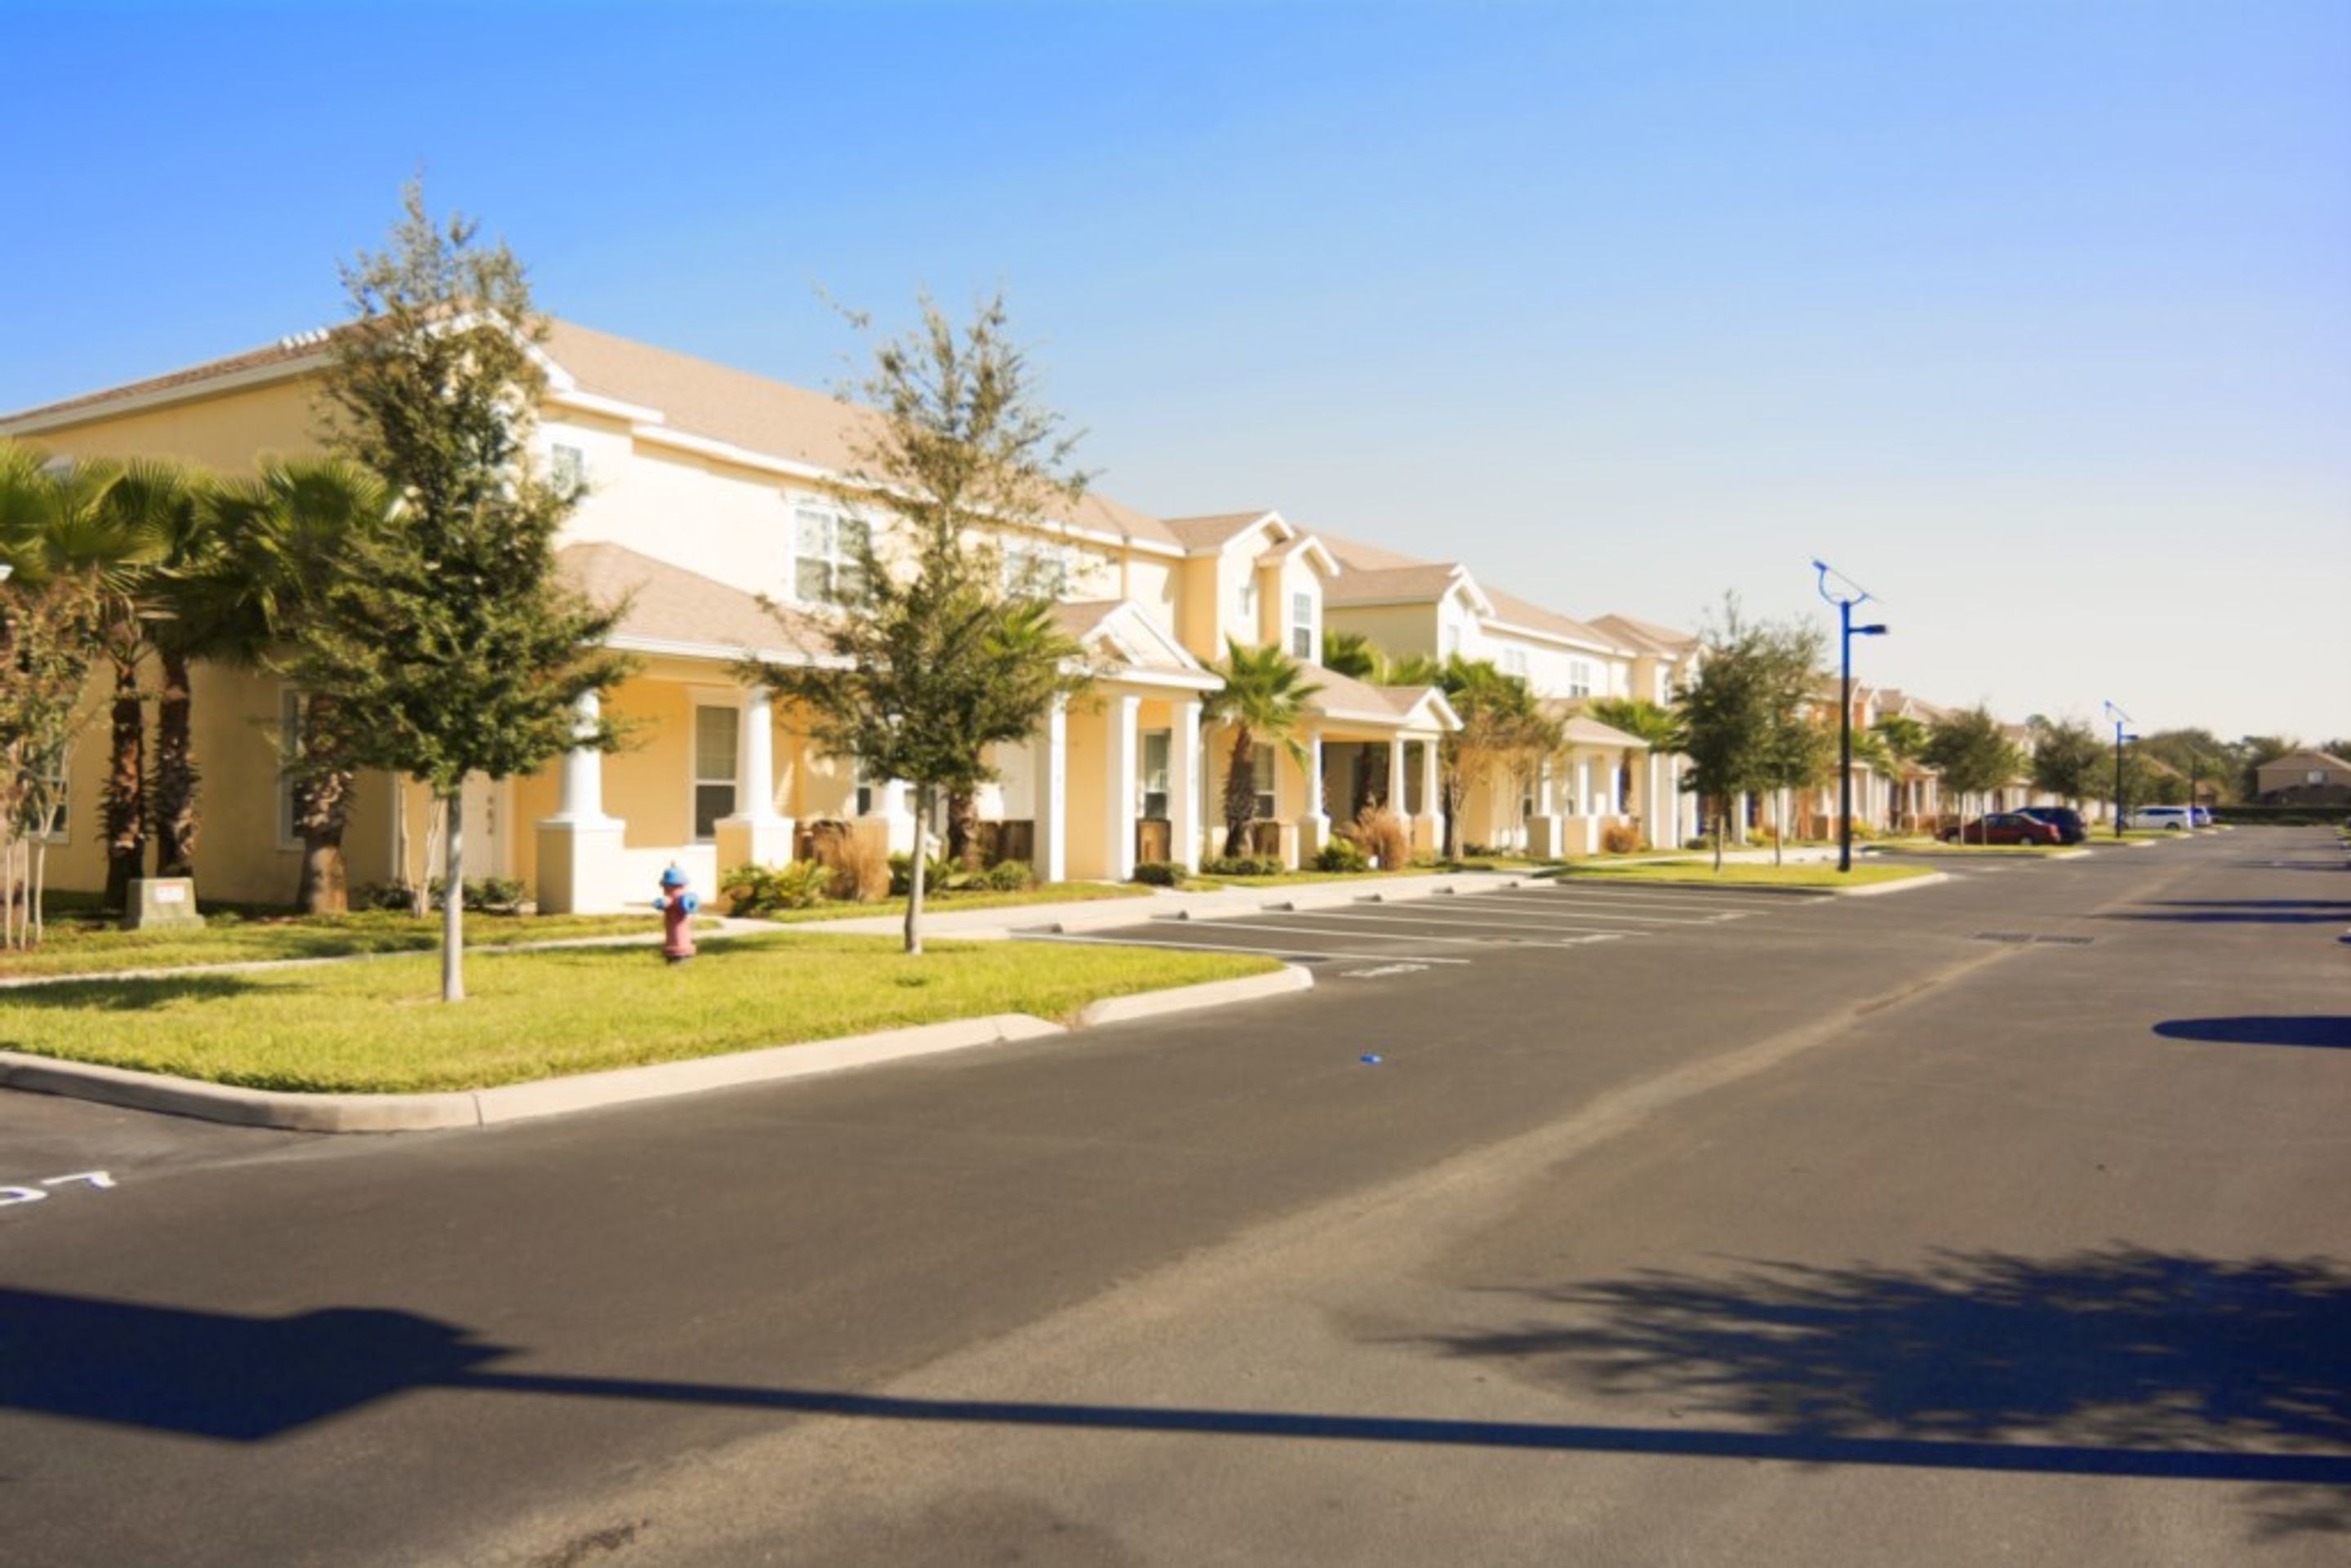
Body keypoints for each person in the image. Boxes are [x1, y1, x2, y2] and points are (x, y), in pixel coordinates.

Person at [654, 865, 700, 963]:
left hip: (678, 942)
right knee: (679, 937)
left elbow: (665, 902)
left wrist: (663, 902)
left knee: (678, 937)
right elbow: (664, 902)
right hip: (679, 941)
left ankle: (678, 955)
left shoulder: (677, 900)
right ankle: (679, 953)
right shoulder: (674, 901)